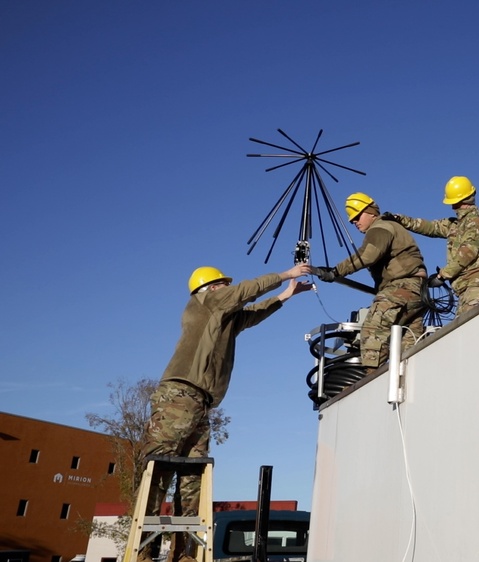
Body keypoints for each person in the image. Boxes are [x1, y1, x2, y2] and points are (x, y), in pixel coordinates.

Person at [136, 263, 312, 562]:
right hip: (179, 395)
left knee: (193, 477)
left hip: (201, 402)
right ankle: (143, 551)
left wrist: (286, 295)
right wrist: (286, 274)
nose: (226, 289)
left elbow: (251, 315)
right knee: (158, 471)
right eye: (222, 284)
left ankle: (185, 554)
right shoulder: (203, 303)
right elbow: (244, 292)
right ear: (210, 288)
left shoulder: (222, 316)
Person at [314, 192, 427, 371]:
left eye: (357, 216)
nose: (354, 221)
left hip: (401, 287)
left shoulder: (380, 228)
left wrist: (336, 271)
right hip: (417, 292)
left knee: (372, 331)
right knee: (409, 344)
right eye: (352, 219)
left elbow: (368, 255)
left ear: (371, 212)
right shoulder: (391, 227)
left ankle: (369, 382)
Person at [385, 176, 479, 316]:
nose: (452, 207)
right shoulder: (456, 224)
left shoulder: (476, 222)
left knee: (472, 328)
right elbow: (430, 227)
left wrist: (442, 276)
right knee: (464, 330)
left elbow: (467, 254)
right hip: (467, 288)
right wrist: (400, 219)